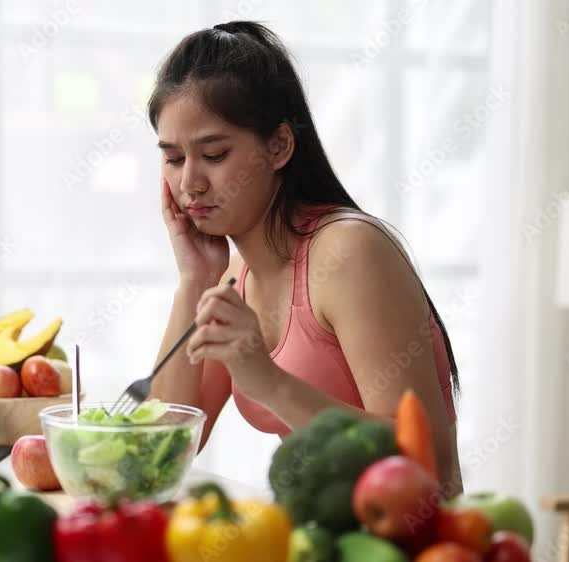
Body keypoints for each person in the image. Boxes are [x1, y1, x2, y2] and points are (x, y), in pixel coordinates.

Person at [145, 21, 462, 490]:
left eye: (213, 154)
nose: (190, 183)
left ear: (278, 146)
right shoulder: (234, 277)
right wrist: (194, 280)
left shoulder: (349, 251)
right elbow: (160, 454)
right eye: (173, 159)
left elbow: (424, 459)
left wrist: (269, 381)